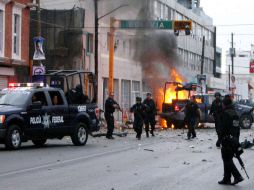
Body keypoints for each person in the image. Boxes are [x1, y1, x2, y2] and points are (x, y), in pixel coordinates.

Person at [218, 95, 244, 185]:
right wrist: (236, 139)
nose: (222, 105)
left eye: (222, 104)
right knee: (228, 158)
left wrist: (220, 139)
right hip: (234, 139)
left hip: (226, 139)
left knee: (226, 158)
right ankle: (226, 178)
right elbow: (237, 128)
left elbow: (223, 128)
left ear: (224, 104)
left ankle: (237, 176)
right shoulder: (234, 113)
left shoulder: (225, 113)